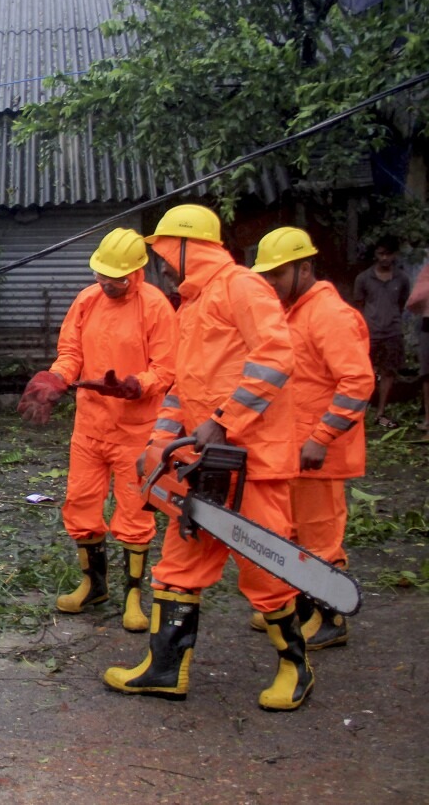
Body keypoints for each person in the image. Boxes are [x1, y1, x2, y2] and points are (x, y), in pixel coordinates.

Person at [102, 204, 313, 712]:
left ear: (185, 245)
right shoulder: (192, 305)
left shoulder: (241, 287)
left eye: (163, 253)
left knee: (264, 569)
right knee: (176, 568)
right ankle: (164, 669)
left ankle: (295, 668)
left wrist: (224, 419)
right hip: (204, 467)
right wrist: (156, 445)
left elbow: (276, 356)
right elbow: (182, 390)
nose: (161, 264)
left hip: (250, 461)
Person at [17, 228, 177, 632]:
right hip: (89, 426)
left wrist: (137, 385)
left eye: (116, 279)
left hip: (136, 431)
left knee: (135, 512)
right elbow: (71, 352)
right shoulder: (87, 301)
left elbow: (167, 368)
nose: (107, 284)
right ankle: (94, 585)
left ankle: (134, 597)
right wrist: (57, 378)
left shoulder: (155, 307)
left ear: (136, 273)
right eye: (101, 275)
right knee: (80, 504)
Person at [249, 227, 373, 650]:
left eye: (278, 275)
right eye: (266, 276)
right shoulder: (294, 311)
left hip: (319, 453)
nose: (271, 284)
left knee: (320, 536)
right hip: (293, 449)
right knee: (295, 531)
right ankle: (301, 607)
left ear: (304, 268)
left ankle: (330, 617)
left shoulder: (329, 314)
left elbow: (357, 382)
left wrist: (321, 436)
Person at [351, 239, 411, 427]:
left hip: (392, 332)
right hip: (369, 333)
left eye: (388, 254)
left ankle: (381, 412)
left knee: (388, 372)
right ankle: (360, 411)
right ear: (375, 254)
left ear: (394, 255)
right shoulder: (363, 278)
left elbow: (402, 303)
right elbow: (358, 306)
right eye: (380, 254)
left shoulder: (401, 279)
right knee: (362, 371)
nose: (384, 258)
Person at [407, 255, 429, 431]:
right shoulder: (426, 271)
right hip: (427, 328)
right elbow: (414, 300)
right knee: (427, 375)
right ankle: (428, 419)